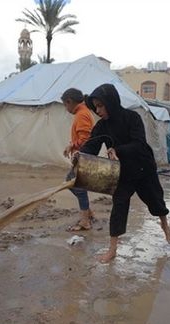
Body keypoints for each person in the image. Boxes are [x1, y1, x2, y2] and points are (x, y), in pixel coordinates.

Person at [79, 83, 170, 263]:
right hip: (122, 173)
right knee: (119, 207)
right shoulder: (102, 126)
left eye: (100, 105)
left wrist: (117, 150)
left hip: (143, 168)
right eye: (95, 107)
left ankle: (164, 225)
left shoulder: (132, 118)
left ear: (111, 102)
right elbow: (91, 144)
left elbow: (139, 143)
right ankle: (112, 249)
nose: (97, 110)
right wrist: (80, 155)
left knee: (156, 201)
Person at [61, 88, 95, 231]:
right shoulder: (83, 112)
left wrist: (72, 146)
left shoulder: (82, 115)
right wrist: (71, 145)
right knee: (72, 183)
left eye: (65, 105)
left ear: (69, 101)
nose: (65, 108)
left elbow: (85, 139)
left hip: (83, 157)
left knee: (76, 186)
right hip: (82, 156)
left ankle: (85, 221)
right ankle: (88, 212)